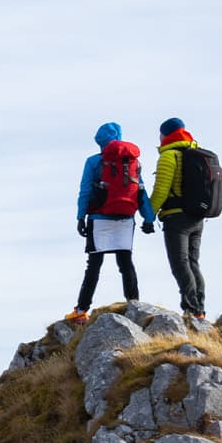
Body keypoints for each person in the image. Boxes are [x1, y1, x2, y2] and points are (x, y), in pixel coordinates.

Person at [67, 122, 156, 324]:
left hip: (99, 219)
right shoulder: (133, 162)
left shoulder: (93, 162)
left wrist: (80, 217)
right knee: (125, 263)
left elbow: (85, 192)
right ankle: (135, 304)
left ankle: (81, 311)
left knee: (94, 266)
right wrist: (148, 218)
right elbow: (140, 191)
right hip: (125, 219)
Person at [151, 116, 207, 320]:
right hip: (198, 218)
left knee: (180, 263)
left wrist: (149, 216)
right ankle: (199, 309)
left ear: (165, 134)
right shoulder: (196, 153)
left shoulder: (169, 156)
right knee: (193, 263)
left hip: (177, 219)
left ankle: (191, 309)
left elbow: (161, 191)